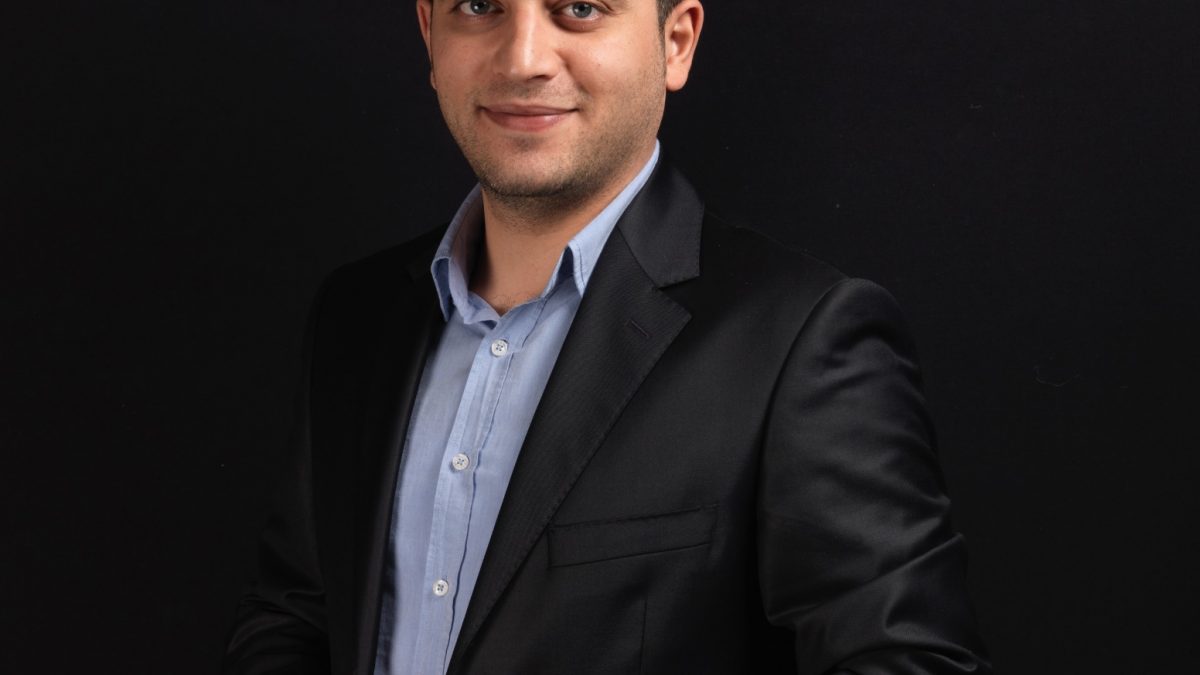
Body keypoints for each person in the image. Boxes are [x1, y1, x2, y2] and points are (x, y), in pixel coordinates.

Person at [224, 0, 990, 673]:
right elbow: (294, 613)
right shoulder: (356, 316)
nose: (522, 59)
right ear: (429, 33)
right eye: (480, 6)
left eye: (580, 8)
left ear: (675, 42)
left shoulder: (801, 338)